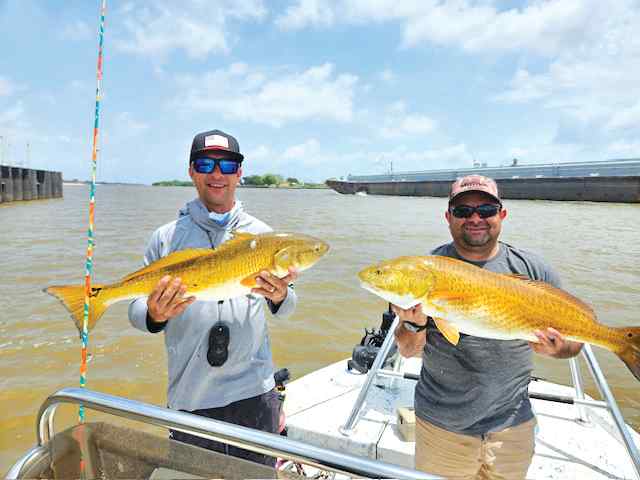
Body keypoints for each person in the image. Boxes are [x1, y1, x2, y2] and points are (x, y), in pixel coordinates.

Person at [393, 174, 583, 479]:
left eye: (486, 210)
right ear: (448, 217)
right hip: (442, 429)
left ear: (502, 215)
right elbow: (406, 349)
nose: (475, 218)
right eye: (463, 211)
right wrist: (413, 324)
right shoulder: (422, 271)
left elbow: (576, 343)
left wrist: (560, 349)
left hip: (513, 427)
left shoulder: (533, 270)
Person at [128, 129, 296, 466]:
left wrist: (280, 296)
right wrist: (153, 314)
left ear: (239, 173)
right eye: (205, 164)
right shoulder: (165, 238)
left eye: (227, 164)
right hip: (192, 396)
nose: (216, 174)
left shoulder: (263, 236)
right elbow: (135, 308)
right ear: (191, 171)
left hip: (255, 393)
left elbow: (288, 307)